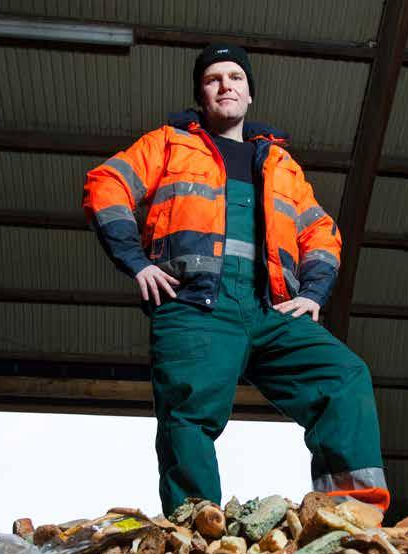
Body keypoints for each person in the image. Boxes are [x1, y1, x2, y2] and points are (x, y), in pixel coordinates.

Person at [83, 43, 390, 516]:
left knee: (344, 376)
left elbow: (320, 231)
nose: (226, 85)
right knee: (188, 415)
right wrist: (136, 261)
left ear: (249, 95)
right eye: (213, 78)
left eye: (236, 77)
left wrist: (312, 293)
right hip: (194, 306)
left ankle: (352, 512)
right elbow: (108, 184)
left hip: (270, 308)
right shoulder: (168, 143)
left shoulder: (281, 165)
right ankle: (196, 529)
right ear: (201, 95)